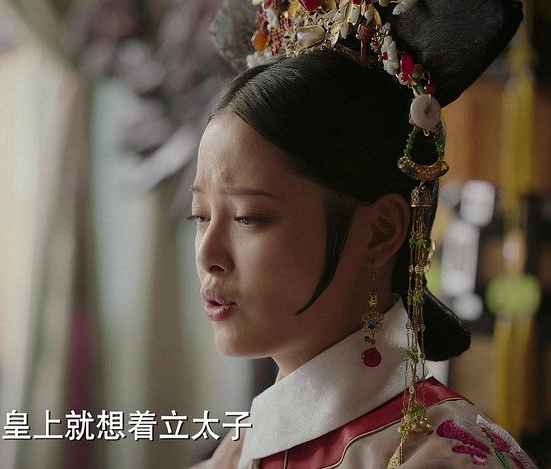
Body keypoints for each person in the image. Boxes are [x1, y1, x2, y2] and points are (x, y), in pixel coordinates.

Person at [190, 0, 534, 467]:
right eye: (200, 216)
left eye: (249, 217)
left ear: (379, 231)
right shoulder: (239, 447)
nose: (208, 254)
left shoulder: (439, 456)